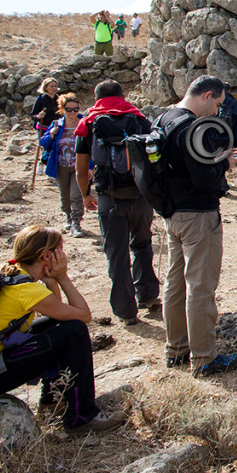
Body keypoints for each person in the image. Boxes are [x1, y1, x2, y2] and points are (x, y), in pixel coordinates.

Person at [0, 225, 126, 434]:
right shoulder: (28, 290)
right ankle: (81, 416)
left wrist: (50, 282)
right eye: (60, 250)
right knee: (75, 331)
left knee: (60, 327)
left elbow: (56, 315)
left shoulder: (11, 271)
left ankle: (52, 403)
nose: (64, 256)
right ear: (46, 255)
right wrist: (62, 278)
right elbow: (84, 316)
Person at [160, 76, 237, 376]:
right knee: (200, 286)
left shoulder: (165, 118)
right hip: (198, 215)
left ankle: (177, 349)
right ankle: (204, 358)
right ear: (207, 95)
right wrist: (225, 164)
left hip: (173, 212)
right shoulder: (194, 127)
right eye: (217, 104)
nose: (216, 112)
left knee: (175, 281)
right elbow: (203, 177)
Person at [74, 80, 158, 326]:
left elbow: (81, 168)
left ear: (96, 97)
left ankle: (126, 311)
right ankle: (148, 296)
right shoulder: (140, 119)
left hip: (109, 199)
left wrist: (85, 194)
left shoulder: (89, 123)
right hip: (141, 197)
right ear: (123, 95)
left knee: (116, 254)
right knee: (143, 244)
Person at [39, 94, 84, 237]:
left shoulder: (84, 123)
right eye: (69, 109)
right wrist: (51, 134)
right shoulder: (57, 124)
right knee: (65, 196)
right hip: (60, 166)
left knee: (76, 195)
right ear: (62, 109)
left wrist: (90, 167)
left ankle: (76, 223)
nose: (72, 112)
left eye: (75, 109)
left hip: (79, 166)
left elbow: (91, 146)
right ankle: (68, 217)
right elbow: (43, 143)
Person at [30, 77, 60, 142]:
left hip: (58, 127)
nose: (54, 88)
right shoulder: (41, 99)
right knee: (47, 147)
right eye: (51, 86)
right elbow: (33, 115)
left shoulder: (59, 99)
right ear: (45, 87)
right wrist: (38, 116)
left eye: (55, 86)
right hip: (44, 128)